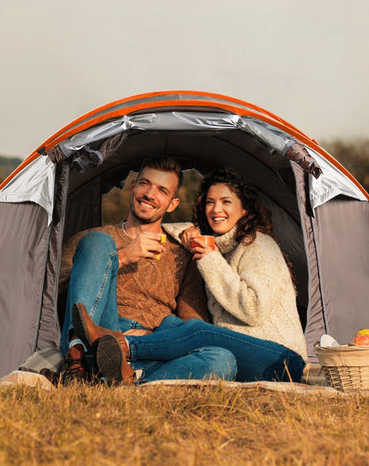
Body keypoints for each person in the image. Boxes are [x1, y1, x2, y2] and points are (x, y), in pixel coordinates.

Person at [73, 167, 308, 384]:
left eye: (226, 202)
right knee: (202, 346)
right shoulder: (218, 248)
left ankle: (123, 345)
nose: (216, 210)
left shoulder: (258, 244)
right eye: (209, 202)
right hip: (240, 355)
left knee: (198, 330)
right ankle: (131, 375)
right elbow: (170, 227)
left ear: (244, 209)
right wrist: (188, 232)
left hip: (281, 359)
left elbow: (253, 308)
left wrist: (209, 258)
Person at [58, 156, 236, 384]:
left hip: (153, 343)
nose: (150, 195)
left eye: (162, 190)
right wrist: (122, 257)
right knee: (98, 241)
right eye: (145, 184)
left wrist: (148, 342)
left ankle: (124, 377)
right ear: (133, 187)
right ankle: (79, 358)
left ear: (172, 204)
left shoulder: (180, 253)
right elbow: (56, 291)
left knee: (223, 359)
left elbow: (192, 324)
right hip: (102, 330)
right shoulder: (92, 240)